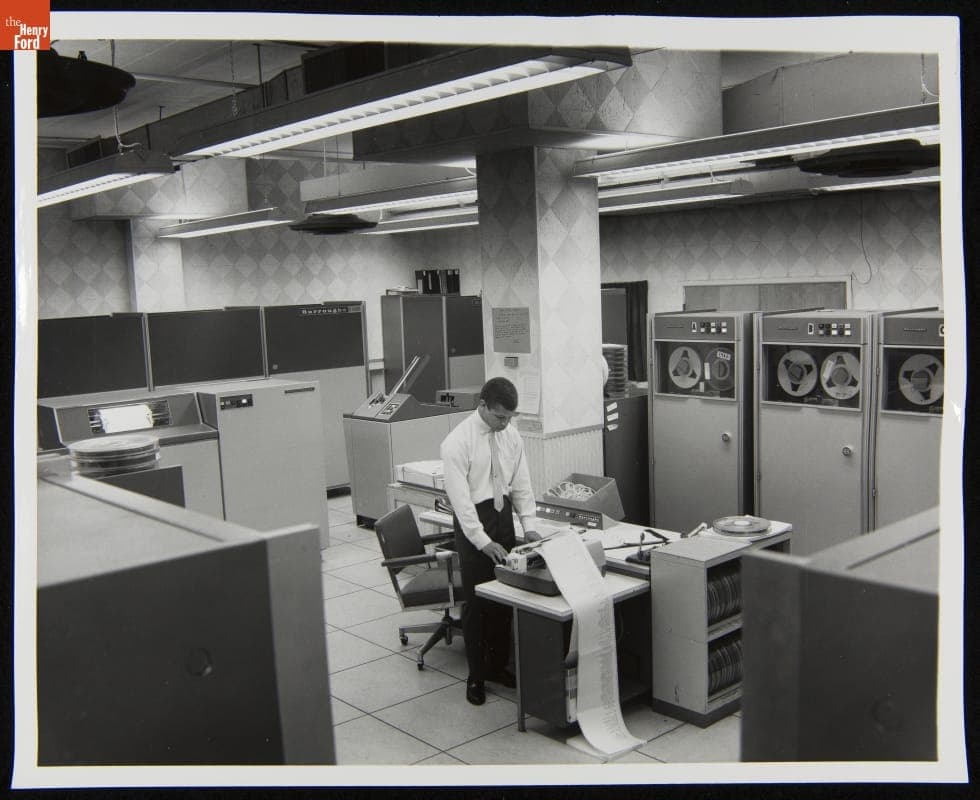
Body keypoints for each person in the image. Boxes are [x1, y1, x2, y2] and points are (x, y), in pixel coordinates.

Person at [440, 376, 540, 706]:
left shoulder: (510, 436)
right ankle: (477, 676)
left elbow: (522, 484)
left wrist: (530, 525)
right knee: (477, 604)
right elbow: (461, 503)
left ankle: (498, 667)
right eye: (500, 416)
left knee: (504, 599)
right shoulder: (456, 443)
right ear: (482, 406)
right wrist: (483, 542)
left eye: (510, 417)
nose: (505, 423)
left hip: (503, 516)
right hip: (474, 525)